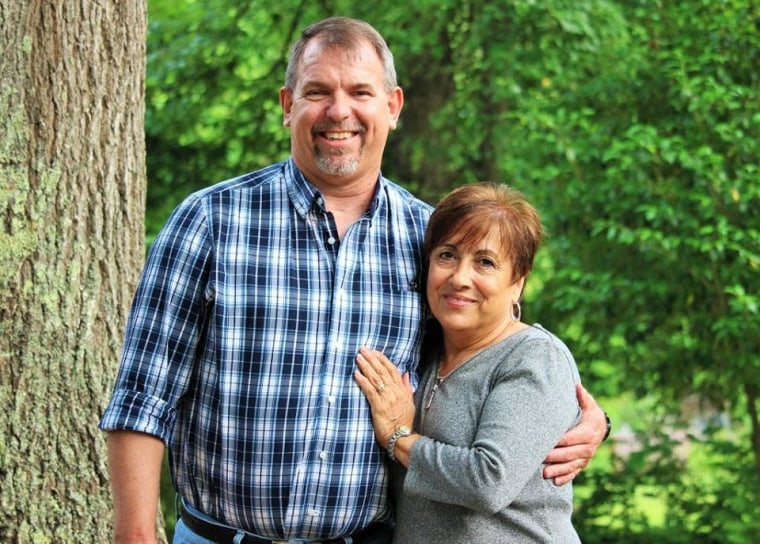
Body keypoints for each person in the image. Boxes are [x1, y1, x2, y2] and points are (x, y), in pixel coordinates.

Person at [99, 17, 607, 544]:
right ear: (287, 104)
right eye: (318, 91)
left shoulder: (429, 239)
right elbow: (144, 392)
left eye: (360, 92)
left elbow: (490, 347)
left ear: (393, 106)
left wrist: (583, 416)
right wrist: (135, 533)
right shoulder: (211, 220)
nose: (339, 111)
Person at [354, 182, 584, 542]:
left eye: (485, 262)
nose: (460, 278)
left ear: (517, 284)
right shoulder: (422, 351)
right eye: (447, 255)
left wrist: (399, 439)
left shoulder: (534, 357)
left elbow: (487, 480)